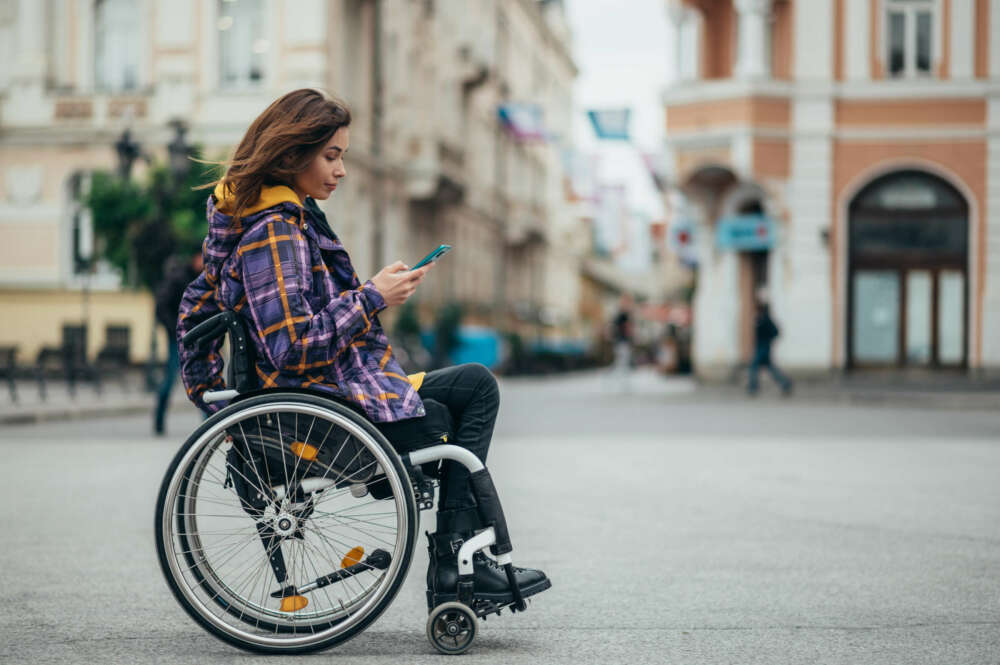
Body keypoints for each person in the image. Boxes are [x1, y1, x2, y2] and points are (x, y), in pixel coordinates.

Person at [176, 89, 549, 608]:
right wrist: (372, 297)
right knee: (448, 413)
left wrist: (210, 396)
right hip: (317, 410)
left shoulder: (280, 219)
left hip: (331, 392)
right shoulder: (274, 232)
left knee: (476, 385)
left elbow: (197, 305)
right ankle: (457, 567)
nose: (341, 171)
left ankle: (459, 563)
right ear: (291, 155)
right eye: (331, 156)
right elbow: (292, 348)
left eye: (343, 157)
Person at [152, 249, 202, 435]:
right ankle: (158, 421)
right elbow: (162, 306)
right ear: (195, 256)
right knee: (170, 379)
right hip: (178, 339)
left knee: (202, 379)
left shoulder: (204, 277)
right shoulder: (179, 277)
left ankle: (209, 423)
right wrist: (175, 329)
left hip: (198, 338)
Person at [747, 302, 792, 396]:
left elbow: (775, 332)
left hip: (763, 348)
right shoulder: (760, 319)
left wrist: (768, 340)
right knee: (771, 368)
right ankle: (785, 383)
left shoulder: (765, 320)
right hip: (761, 347)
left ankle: (752, 388)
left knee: (753, 366)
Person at [610, 293, 634, 392]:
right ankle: (620, 382)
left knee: (621, 362)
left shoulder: (620, 314)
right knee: (622, 362)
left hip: (621, 341)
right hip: (622, 341)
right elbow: (627, 329)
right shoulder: (623, 315)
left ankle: (620, 382)